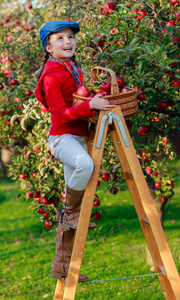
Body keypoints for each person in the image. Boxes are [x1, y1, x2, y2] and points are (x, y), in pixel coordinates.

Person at [34, 21, 116, 282]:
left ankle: (62, 265)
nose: (68, 42)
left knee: (73, 206)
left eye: (71, 37)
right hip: (61, 138)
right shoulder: (51, 76)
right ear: (48, 47)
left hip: (78, 137)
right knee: (85, 165)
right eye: (60, 38)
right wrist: (90, 104)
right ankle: (70, 212)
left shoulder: (73, 70)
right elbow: (60, 113)